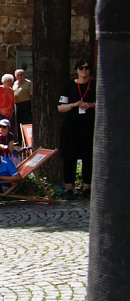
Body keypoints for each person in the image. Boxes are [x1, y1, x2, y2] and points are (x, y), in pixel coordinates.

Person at [58, 58, 95, 199]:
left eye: (86, 68)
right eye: (81, 68)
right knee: (69, 157)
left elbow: (103, 104)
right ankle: (69, 188)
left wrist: (91, 105)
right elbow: (60, 107)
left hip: (88, 125)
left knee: (88, 157)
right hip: (71, 126)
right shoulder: (69, 86)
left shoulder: (95, 85)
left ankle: (86, 188)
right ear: (77, 70)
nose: (84, 71)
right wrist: (74, 105)